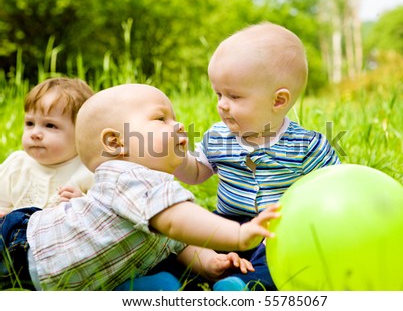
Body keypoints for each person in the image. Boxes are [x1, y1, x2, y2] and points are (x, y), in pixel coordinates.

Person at [0, 83, 280, 291]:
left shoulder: (157, 194)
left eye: (174, 117)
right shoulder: (125, 176)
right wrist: (239, 233)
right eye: (161, 119)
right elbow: (175, 221)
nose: (179, 125)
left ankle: (150, 287)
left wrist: (209, 263)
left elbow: (180, 241)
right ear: (115, 143)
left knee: (169, 267)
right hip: (22, 247)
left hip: (76, 274)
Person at [174, 22, 341, 290]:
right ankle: (181, 276)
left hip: (278, 232)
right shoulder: (218, 137)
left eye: (234, 96)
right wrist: (177, 159)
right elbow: (195, 173)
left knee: (288, 263)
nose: (221, 104)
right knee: (189, 243)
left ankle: (246, 287)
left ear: (278, 101)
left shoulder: (307, 146)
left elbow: (335, 187)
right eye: (218, 93)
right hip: (227, 224)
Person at [0, 77, 95, 217]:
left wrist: (82, 203)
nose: (35, 134)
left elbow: (101, 219)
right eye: (30, 123)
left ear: (81, 131)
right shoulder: (16, 165)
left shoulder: (88, 171)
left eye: (50, 125)